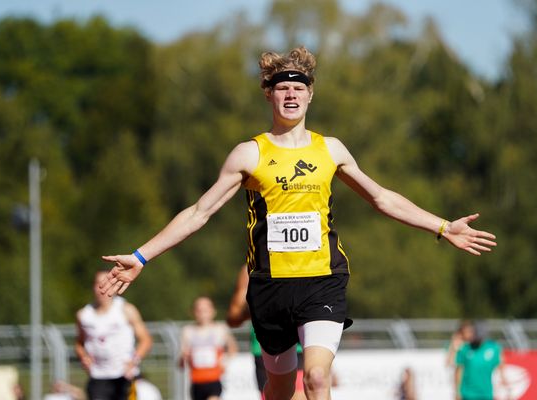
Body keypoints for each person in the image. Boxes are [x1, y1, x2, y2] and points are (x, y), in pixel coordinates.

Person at [100, 46, 497, 400]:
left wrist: (443, 227)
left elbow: (381, 197)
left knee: (317, 380)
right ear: (269, 94)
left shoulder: (331, 149)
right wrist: (141, 255)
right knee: (278, 389)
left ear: (310, 94)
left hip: (322, 278)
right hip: (270, 287)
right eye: (282, 88)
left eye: (299, 87)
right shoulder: (249, 154)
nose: (291, 95)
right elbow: (199, 213)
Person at [227, 264, 306, 399]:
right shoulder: (251, 267)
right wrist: (261, 302)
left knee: (299, 395)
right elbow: (233, 317)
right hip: (265, 347)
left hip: (299, 345)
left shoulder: (302, 258)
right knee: (273, 396)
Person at [76, 271, 153, 400]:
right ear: (93, 287)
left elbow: (146, 340)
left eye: (108, 283)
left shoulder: (126, 310)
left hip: (124, 375)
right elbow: (79, 343)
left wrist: (134, 361)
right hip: (98, 376)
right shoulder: (84, 315)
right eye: (99, 284)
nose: (103, 288)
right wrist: (84, 357)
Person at [179, 296, 238, 400]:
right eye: (199, 310)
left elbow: (233, 348)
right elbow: (181, 362)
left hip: (213, 381)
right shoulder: (187, 331)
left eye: (205, 310)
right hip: (196, 382)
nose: (202, 314)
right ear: (194, 312)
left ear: (213, 311)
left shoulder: (220, 329)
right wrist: (184, 358)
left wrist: (225, 360)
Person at [454, 321, 507, 400]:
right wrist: (457, 392)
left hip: (486, 394)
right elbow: (458, 371)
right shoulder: (464, 349)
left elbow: (500, 363)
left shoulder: (492, 348)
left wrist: (504, 382)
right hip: (468, 395)